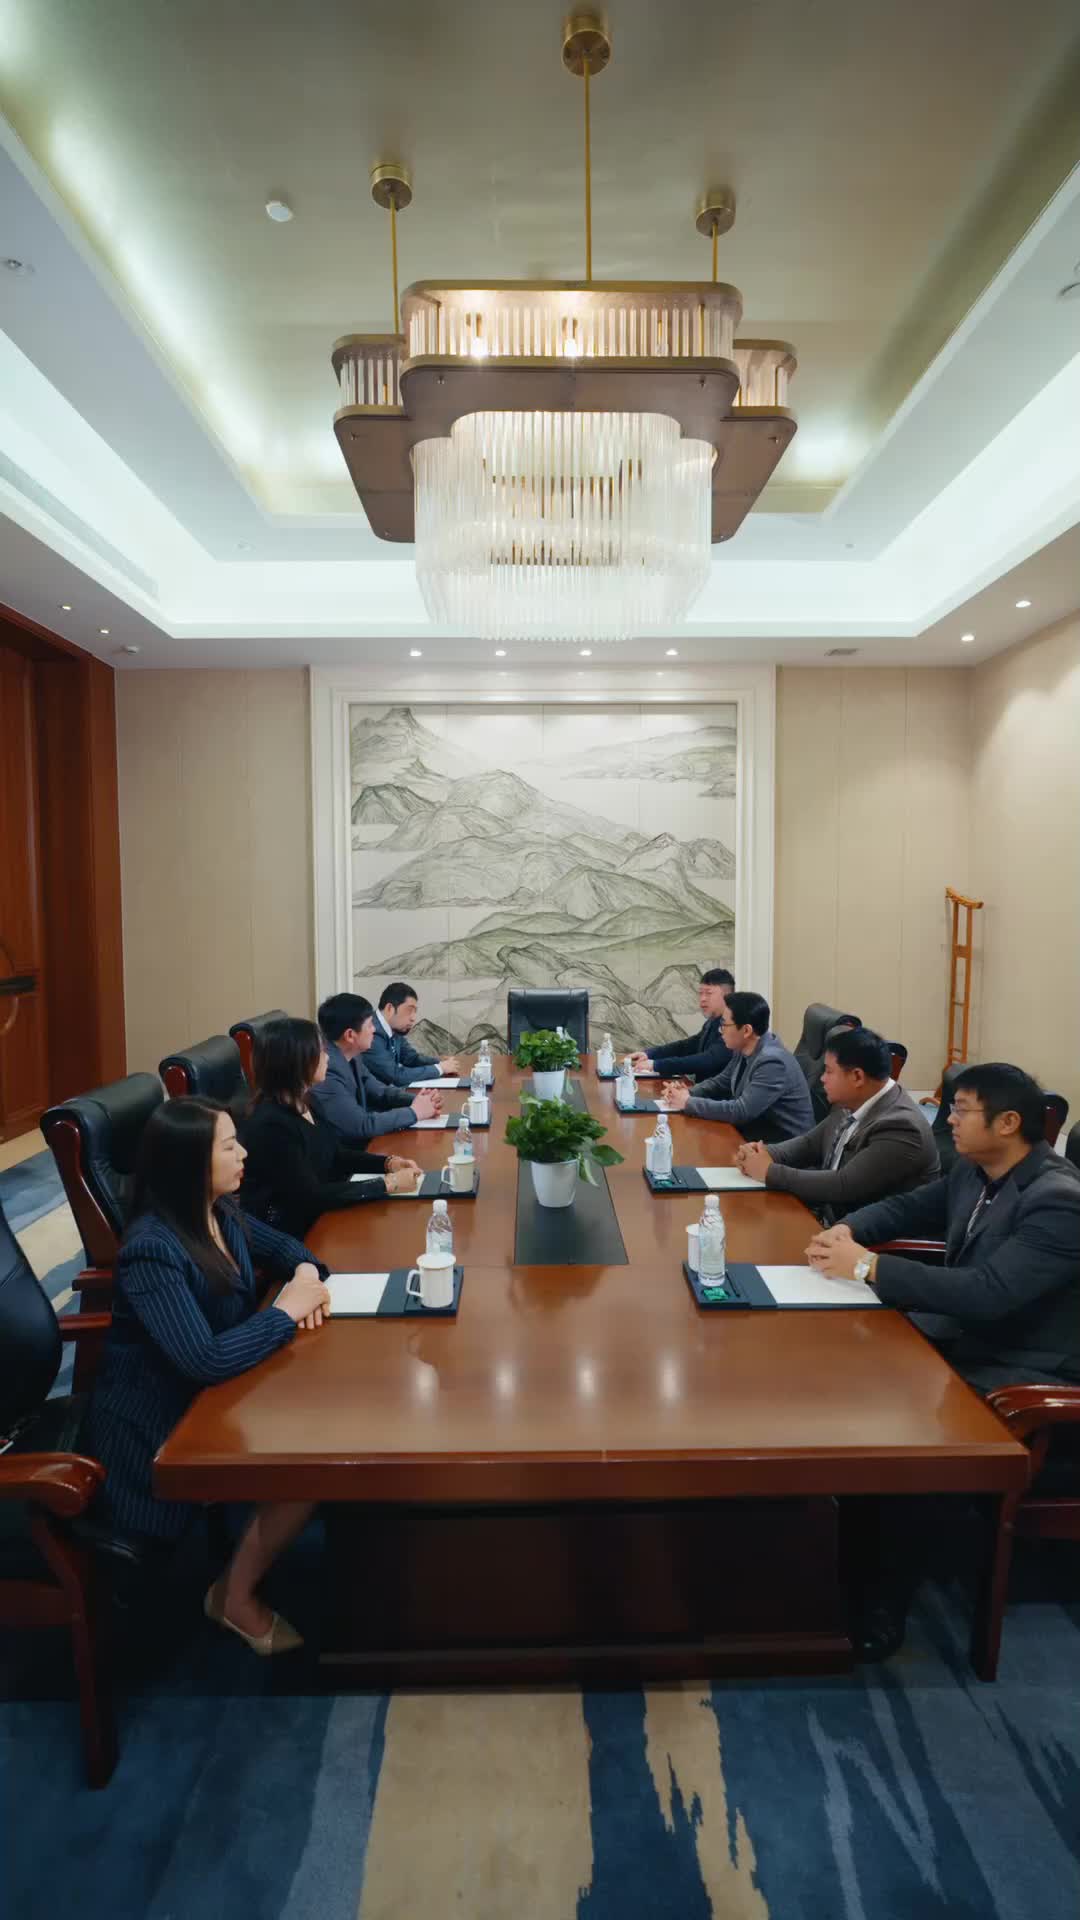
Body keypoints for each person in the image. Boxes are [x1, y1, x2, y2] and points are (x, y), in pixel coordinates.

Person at [80, 1098, 334, 1655]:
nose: (244, 1154)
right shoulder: (152, 1248)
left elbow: (288, 1247)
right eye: (229, 1146)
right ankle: (233, 1598)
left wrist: (306, 1274)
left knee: (329, 1420)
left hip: (218, 1396)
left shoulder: (220, 1211)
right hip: (159, 1428)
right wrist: (285, 1312)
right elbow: (205, 1359)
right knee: (312, 1464)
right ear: (190, 1163)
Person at [806, 1062, 1080, 1391]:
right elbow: (908, 1208)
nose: (950, 1119)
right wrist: (848, 1228)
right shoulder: (975, 1169)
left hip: (1020, 1364)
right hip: (961, 1330)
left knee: (864, 1385)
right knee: (833, 1354)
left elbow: (987, 1292)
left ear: (1008, 1122)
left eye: (962, 1110)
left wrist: (868, 1264)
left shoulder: (1058, 1201)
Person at [239, 1016, 422, 1238]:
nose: (327, 1057)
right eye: (321, 1051)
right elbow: (310, 1196)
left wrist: (388, 1163)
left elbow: (335, 1155)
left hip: (324, 1214)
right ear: (297, 1060)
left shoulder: (308, 1101)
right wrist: (387, 1184)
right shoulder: (271, 1125)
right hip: (293, 1233)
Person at [735, 1025, 938, 1221]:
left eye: (829, 1071)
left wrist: (769, 1171)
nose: (822, 1078)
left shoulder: (901, 1127)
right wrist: (762, 1153)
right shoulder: (851, 1099)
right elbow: (809, 1144)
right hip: (829, 1218)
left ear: (857, 1076)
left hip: (863, 1236)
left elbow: (844, 1185)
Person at [660, 991, 814, 1143]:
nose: (720, 1031)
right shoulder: (744, 1048)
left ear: (746, 1030)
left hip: (782, 1147)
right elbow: (721, 1082)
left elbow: (741, 1111)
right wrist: (687, 1093)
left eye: (724, 1025)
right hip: (754, 1134)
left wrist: (688, 1102)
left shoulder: (772, 1062)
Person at [311, 992, 442, 1141]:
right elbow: (361, 1125)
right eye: (369, 1025)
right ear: (350, 1035)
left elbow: (381, 1092)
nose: (374, 1029)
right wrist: (414, 1112)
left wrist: (420, 1100)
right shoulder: (327, 1070)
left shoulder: (353, 1057)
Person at [630, 968, 734, 1082]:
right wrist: (649, 1054)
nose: (702, 999)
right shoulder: (712, 1022)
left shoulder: (733, 1027)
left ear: (727, 996)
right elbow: (687, 1046)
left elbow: (708, 1060)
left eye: (709, 993)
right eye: (701, 993)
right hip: (700, 1090)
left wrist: (656, 1065)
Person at [366, 981, 460, 1088]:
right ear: (390, 1008)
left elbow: (411, 1058)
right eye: (409, 1010)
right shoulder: (371, 1032)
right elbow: (396, 1076)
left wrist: (440, 1062)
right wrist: (440, 1068)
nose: (413, 1018)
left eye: (415, 1012)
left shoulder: (394, 1028)